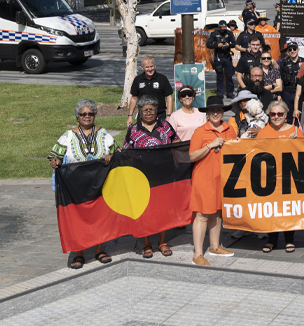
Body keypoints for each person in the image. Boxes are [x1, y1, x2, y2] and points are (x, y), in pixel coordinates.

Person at [49, 99, 117, 269]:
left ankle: (100, 249)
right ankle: (79, 253)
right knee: (77, 218)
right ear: (77, 117)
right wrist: (56, 161)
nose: (87, 116)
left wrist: (111, 156)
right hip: (75, 185)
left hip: (99, 183)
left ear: (95, 115)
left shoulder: (103, 133)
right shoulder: (68, 136)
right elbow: (54, 155)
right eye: (83, 114)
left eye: (90, 114)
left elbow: (117, 150)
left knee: (100, 217)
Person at [123, 95, 180, 258]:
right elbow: (126, 150)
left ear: (157, 111)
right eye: (145, 110)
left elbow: (176, 141)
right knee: (145, 210)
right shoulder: (133, 130)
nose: (148, 112)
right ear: (139, 112)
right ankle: (146, 242)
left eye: (152, 109)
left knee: (163, 209)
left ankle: (162, 241)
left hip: (164, 175)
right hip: (141, 178)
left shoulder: (165, 127)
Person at [189, 96, 237, 266]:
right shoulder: (200, 131)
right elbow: (192, 156)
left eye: (218, 111)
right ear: (207, 113)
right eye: (212, 111)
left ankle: (215, 246)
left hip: (222, 178)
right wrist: (210, 145)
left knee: (217, 212)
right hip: (204, 178)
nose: (216, 113)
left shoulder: (229, 129)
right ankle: (197, 254)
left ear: (223, 112)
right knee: (202, 215)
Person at [256, 100, 303, 251]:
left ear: (286, 115)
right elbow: (255, 153)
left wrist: (297, 142)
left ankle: (290, 239)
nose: (276, 117)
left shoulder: (295, 130)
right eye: (273, 114)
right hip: (270, 178)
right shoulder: (263, 132)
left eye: (280, 114)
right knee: (272, 209)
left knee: (289, 209)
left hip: (290, 178)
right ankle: (272, 240)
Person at [127, 56, 173, 126]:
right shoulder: (138, 79)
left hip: (160, 115)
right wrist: (130, 116)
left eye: (151, 66)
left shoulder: (162, 78)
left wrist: (169, 115)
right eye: (147, 67)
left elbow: (169, 97)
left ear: (155, 65)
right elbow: (134, 98)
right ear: (142, 67)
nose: (150, 69)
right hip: (143, 115)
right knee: (142, 136)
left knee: (161, 136)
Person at [206, 20, 237, 99]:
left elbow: (234, 44)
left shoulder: (229, 33)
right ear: (219, 27)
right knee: (219, 76)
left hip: (227, 57)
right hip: (218, 57)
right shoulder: (214, 34)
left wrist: (228, 45)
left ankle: (230, 93)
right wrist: (217, 45)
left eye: (224, 28)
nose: (223, 30)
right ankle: (220, 93)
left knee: (229, 76)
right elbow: (208, 44)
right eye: (222, 28)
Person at [278, 42, 302, 122]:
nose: (292, 51)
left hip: (301, 93)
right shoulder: (283, 63)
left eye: (294, 49)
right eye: (290, 49)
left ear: (298, 50)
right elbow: (279, 79)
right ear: (288, 51)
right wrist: (279, 94)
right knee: (288, 116)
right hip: (287, 93)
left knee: (301, 115)